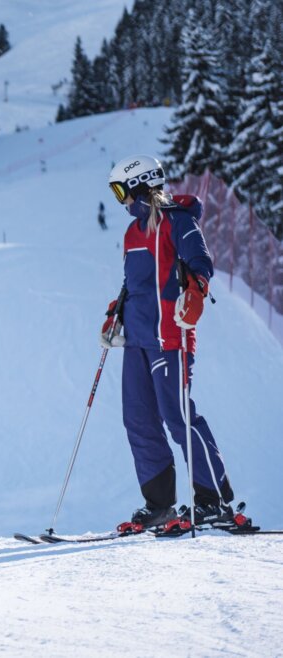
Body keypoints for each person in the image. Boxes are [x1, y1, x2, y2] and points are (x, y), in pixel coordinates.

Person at [103, 154, 245, 531]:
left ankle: (212, 499)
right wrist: (118, 309)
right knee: (138, 419)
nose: (121, 201)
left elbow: (200, 261)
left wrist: (197, 289)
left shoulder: (177, 221)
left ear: (139, 185)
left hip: (171, 334)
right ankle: (159, 505)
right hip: (137, 340)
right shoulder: (133, 233)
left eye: (121, 191)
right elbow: (137, 282)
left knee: (178, 416)